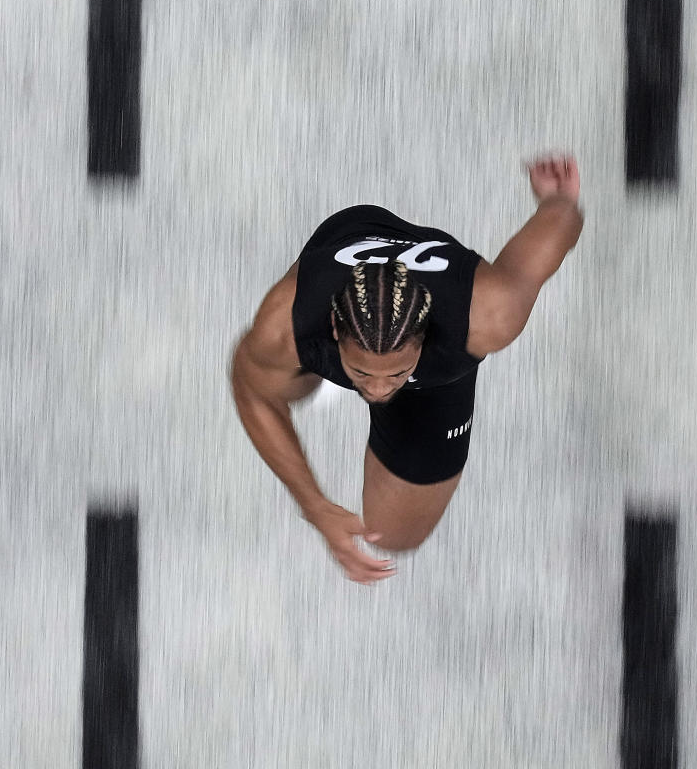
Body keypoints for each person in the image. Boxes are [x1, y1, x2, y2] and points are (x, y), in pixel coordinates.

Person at [231, 155, 583, 583]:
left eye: (395, 374)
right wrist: (314, 505)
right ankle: (323, 377)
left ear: (426, 338)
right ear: (333, 329)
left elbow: (561, 224)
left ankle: (377, 375)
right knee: (276, 378)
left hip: (434, 339)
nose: (378, 389)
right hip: (346, 237)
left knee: (395, 534)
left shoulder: (487, 315)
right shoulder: (286, 323)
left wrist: (556, 200)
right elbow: (251, 390)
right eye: (362, 375)